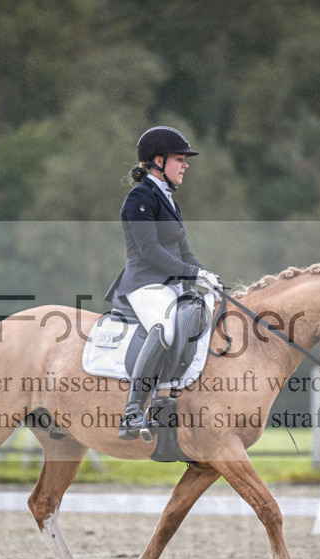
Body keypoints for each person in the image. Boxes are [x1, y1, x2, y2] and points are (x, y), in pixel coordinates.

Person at [104, 126, 222, 440]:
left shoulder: (168, 199)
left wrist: (206, 276)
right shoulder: (140, 197)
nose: (186, 165)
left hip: (171, 285)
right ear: (158, 161)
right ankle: (132, 413)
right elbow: (150, 251)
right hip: (145, 284)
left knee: (206, 315)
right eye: (180, 159)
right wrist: (192, 274)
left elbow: (183, 251)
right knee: (164, 328)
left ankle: (170, 401)